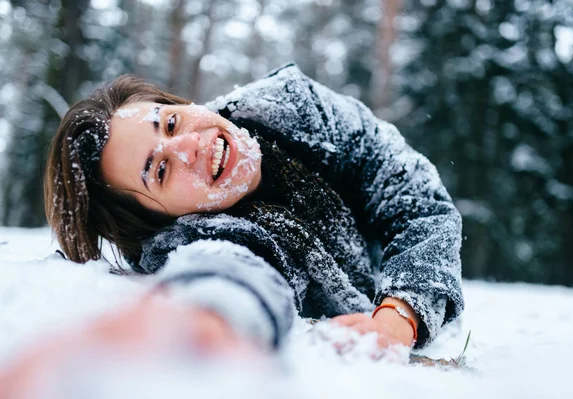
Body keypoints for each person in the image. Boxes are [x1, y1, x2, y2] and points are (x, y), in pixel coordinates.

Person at [43, 63, 464, 352]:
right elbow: (231, 268)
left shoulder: (295, 107)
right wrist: (203, 318)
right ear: (160, 219)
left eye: (170, 123)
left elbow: (417, 202)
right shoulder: (204, 235)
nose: (188, 146)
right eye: (161, 170)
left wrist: (399, 315)